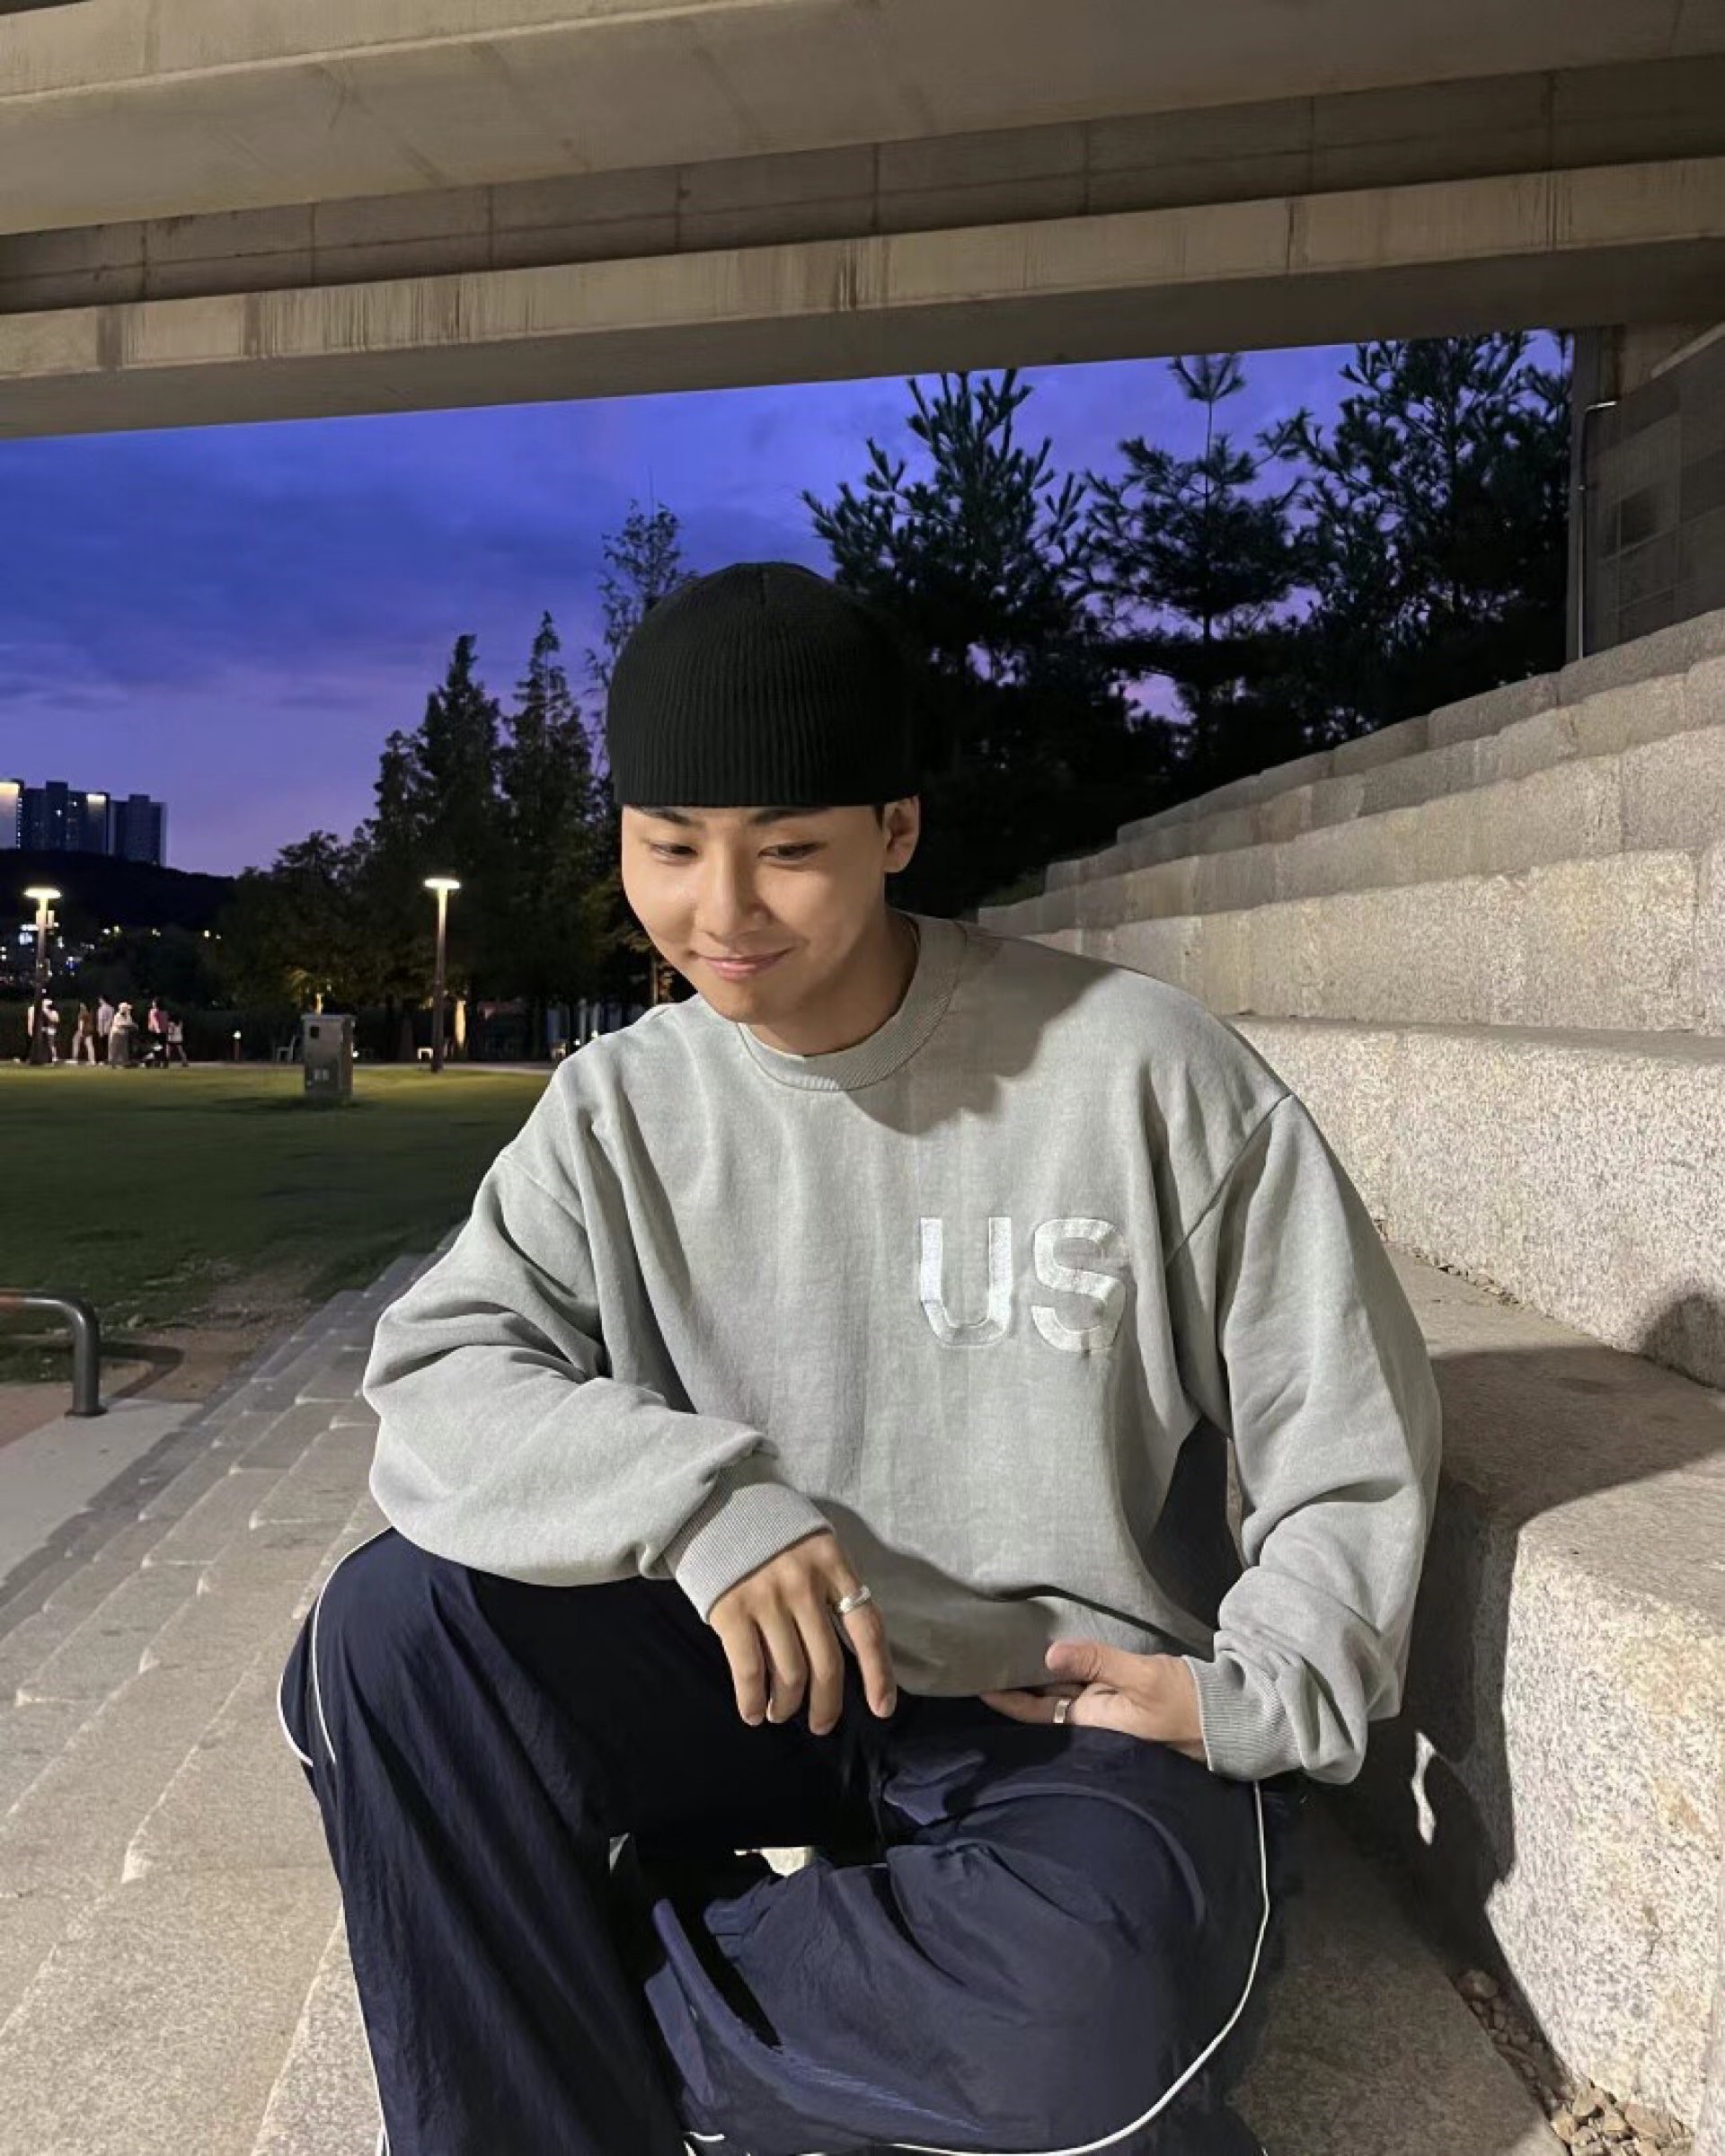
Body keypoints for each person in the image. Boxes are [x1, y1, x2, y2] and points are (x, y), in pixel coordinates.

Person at [278, 561, 1444, 2156]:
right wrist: (706, 1506)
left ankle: (552, 1986)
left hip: (1053, 1712)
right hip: (758, 1675)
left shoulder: (1143, 1071)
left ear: (895, 831)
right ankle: (593, 2017)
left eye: (788, 853)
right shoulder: (619, 1106)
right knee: (388, 1635)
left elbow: (1348, 1433)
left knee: (1085, 2038)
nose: (722, 913)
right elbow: (437, 1375)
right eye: (669, 848)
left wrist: (1259, 1691)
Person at [108, 1000, 135, 1068]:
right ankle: (113, 1064)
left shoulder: (128, 1016)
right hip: (116, 1033)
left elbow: (130, 1023)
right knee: (115, 1049)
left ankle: (125, 1063)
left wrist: (132, 1025)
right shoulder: (117, 1016)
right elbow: (120, 1025)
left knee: (124, 1049)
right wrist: (130, 1026)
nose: (128, 1010)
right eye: (127, 1009)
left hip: (124, 1034)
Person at [71, 1000, 98, 1065]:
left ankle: (75, 1058)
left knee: (75, 1041)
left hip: (83, 1030)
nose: (80, 1006)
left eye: (81, 1004)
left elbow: (81, 1022)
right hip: (90, 1030)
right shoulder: (90, 1012)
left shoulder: (82, 1012)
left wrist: (80, 1031)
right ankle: (92, 1060)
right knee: (89, 1044)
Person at [95, 995, 115, 1063]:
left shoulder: (101, 1009)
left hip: (103, 1029)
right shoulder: (111, 1008)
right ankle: (110, 1058)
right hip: (110, 1029)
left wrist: (101, 1030)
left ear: (102, 1000)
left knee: (102, 1045)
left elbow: (101, 1020)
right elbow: (112, 1019)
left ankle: (103, 1059)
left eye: (100, 1000)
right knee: (109, 1045)